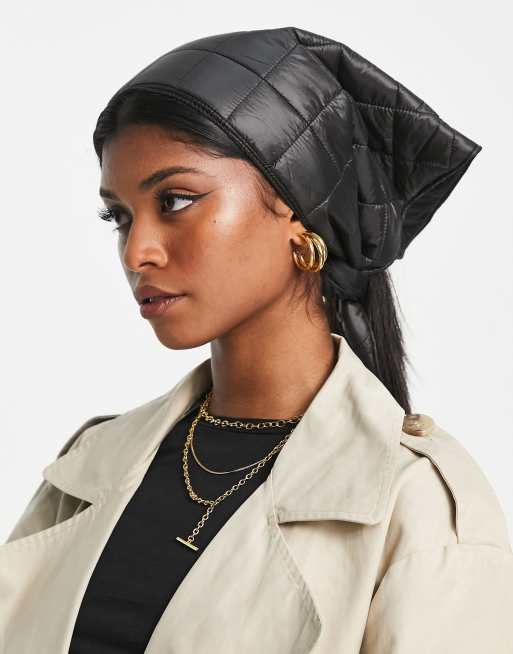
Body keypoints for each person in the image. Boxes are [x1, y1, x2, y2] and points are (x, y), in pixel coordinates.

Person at [2, 26, 512, 653]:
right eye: (120, 217)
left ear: (300, 210)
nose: (137, 252)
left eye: (176, 200)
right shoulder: (91, 464)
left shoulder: (417, 506)